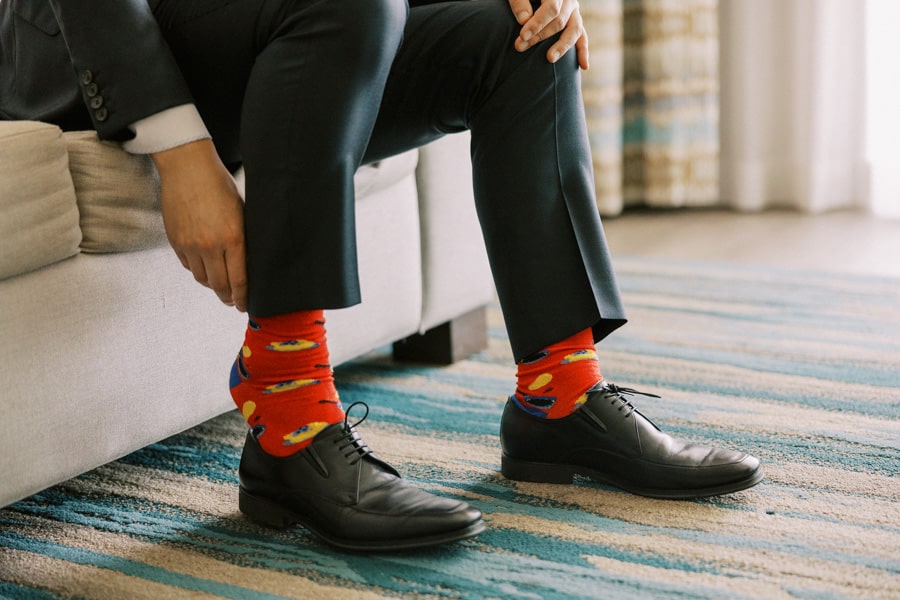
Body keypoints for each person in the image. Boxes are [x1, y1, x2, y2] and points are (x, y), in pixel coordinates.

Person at [1, 0, 763, 552]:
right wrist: (179, 152)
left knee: (523, 38)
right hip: (95, 42)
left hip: (290, 27)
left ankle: (559, 398)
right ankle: (288, 412)